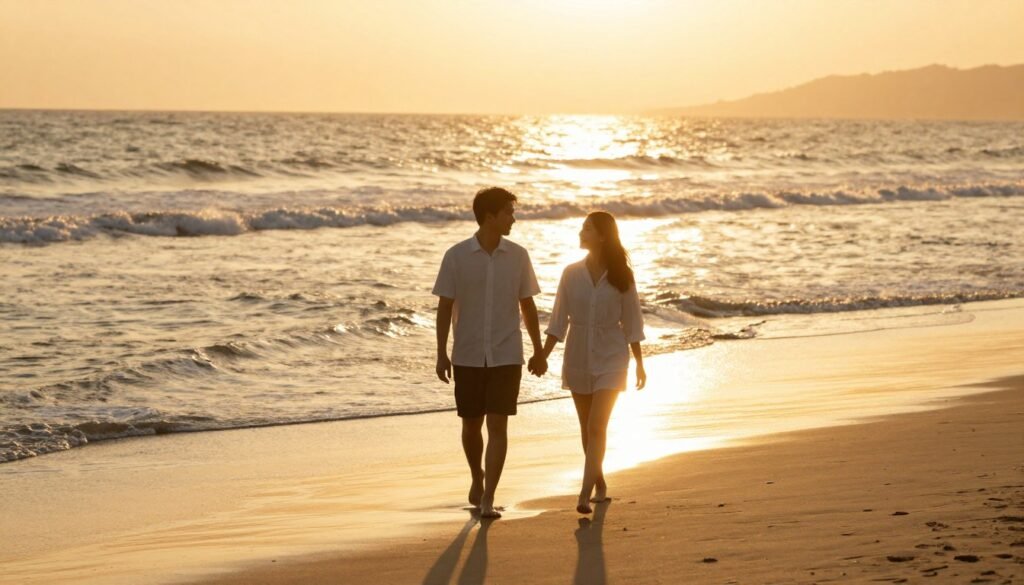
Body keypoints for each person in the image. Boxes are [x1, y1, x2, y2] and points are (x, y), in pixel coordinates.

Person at [433, 187, 546, 519]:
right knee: (471, 425)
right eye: (509, 212)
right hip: (466, 353)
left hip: (507, 353)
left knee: (498, 425)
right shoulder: (455, 256)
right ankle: (477, 477)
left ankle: (488, 498)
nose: (514, 218)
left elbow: (528, 305)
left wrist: (539, 351)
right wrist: (441, 353)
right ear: (490, 216)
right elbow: (444, 307)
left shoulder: (519, 256)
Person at [540, 211, 646, 514]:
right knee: (587, 429)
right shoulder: (571, 273)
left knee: (597, 425)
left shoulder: (622, 275)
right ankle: (599, 481)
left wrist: (639, 363)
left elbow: (633, 322)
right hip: (578, 355)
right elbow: (558, 320)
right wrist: (543, 355)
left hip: (613, 356)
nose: (580, 232)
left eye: (586, 228)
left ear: (601, 235)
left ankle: (584, 493)